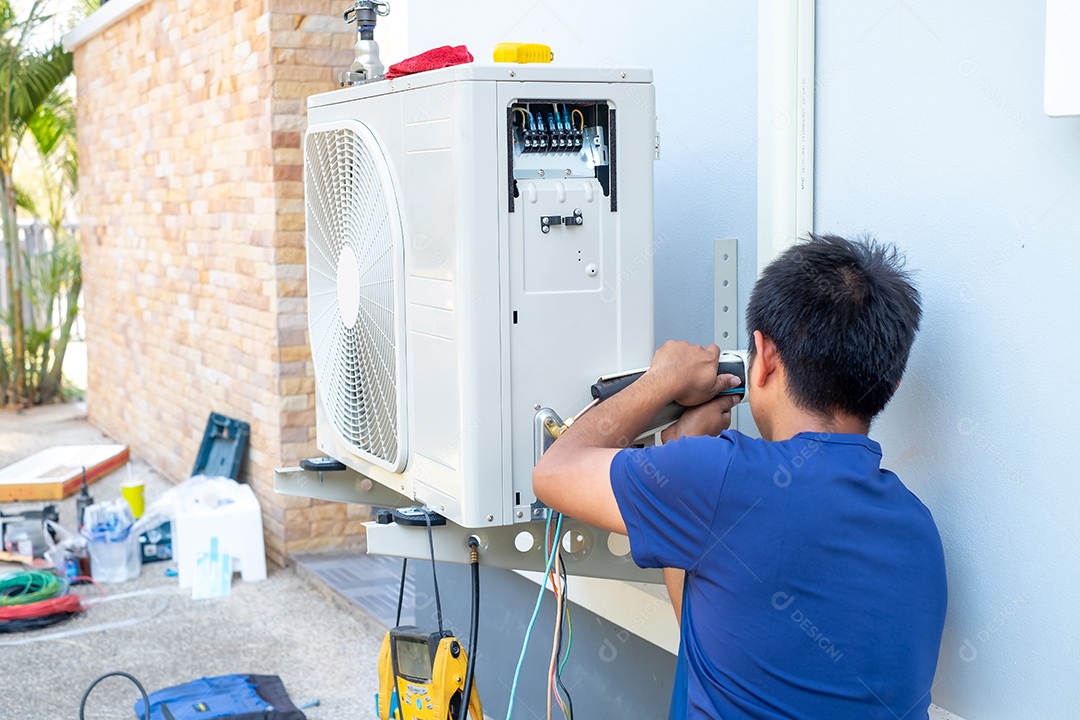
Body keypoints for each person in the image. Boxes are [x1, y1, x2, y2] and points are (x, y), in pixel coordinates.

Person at [533, 234, 947, 720]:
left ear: (764, 357)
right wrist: (678, 451)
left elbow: (554, 471)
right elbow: (712, 638)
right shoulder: (917, 529)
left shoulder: (722, 477)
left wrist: (662, 379)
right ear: (890, 385)